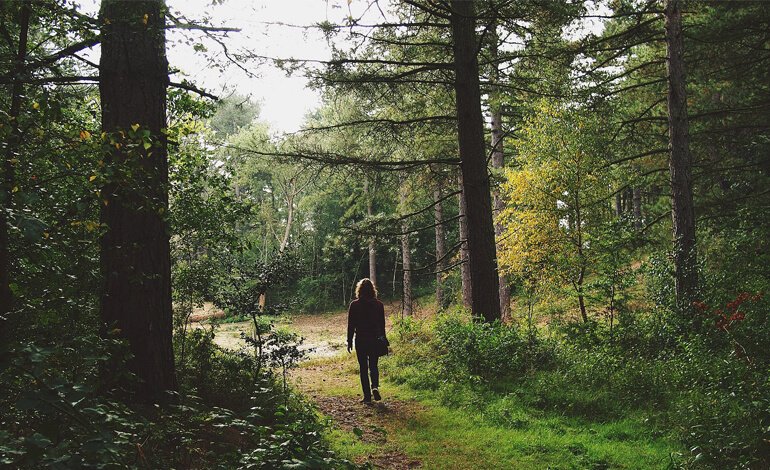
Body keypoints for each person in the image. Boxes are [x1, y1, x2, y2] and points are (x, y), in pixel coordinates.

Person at [347, 278, 386, 403]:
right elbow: (382, 324)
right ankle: (374, 386)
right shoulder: (379, 305)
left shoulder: (354, 305)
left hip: (361, 340)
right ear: (373, 290)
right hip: (375, 339)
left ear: (359, 290)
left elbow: (351, 325)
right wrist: (383, 339)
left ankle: (367, 397)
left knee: (363, 367)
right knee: (374, 365)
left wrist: (349, 341)